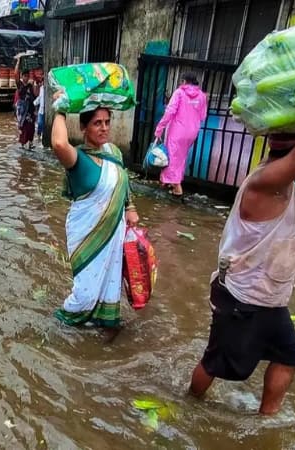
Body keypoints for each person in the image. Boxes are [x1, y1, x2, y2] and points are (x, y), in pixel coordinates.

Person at [187, 12, 295, 415]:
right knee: (218, 361)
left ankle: (266, 419)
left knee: (291, 353)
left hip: (268, 298)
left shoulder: (280, 181)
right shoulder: (268, 182)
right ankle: (189, 405)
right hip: (243, 299)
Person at [50, 104, 140, 342]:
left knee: (110, 282)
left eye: (107, 122)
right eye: (97, 123)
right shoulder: (77, 159)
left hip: (114, 228)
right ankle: (57, 327)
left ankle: (107, 325)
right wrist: (60, 109)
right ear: (83, 127)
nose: (104, 128)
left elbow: (123, 179)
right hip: (87, 232)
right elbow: (59, 143)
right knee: (85, 293)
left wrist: (130, 207)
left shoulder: (113, 152)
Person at [154, 72, 208, 197]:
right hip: (192, 132)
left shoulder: (179, 92)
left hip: (178, 130)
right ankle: (166, 182)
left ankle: (177, 187)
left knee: (172, 156)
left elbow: (170, 111)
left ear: (184, 81)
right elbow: (203, 116)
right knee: (181, 157)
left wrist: (159, 128)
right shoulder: (201, 96)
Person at [16, 71, 37, 149]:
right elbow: (15, 74)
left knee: (31, 127)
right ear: (22, 76)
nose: (26, 78)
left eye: (27, 76)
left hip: (30, 109)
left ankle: (30, 143)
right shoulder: (20, 85)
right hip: (23, 110)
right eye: (25, 76)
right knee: (23, 127)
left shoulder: (30, 86)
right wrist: (18, 62)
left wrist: (35, 84)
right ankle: (22, 143)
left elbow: (35, 94)